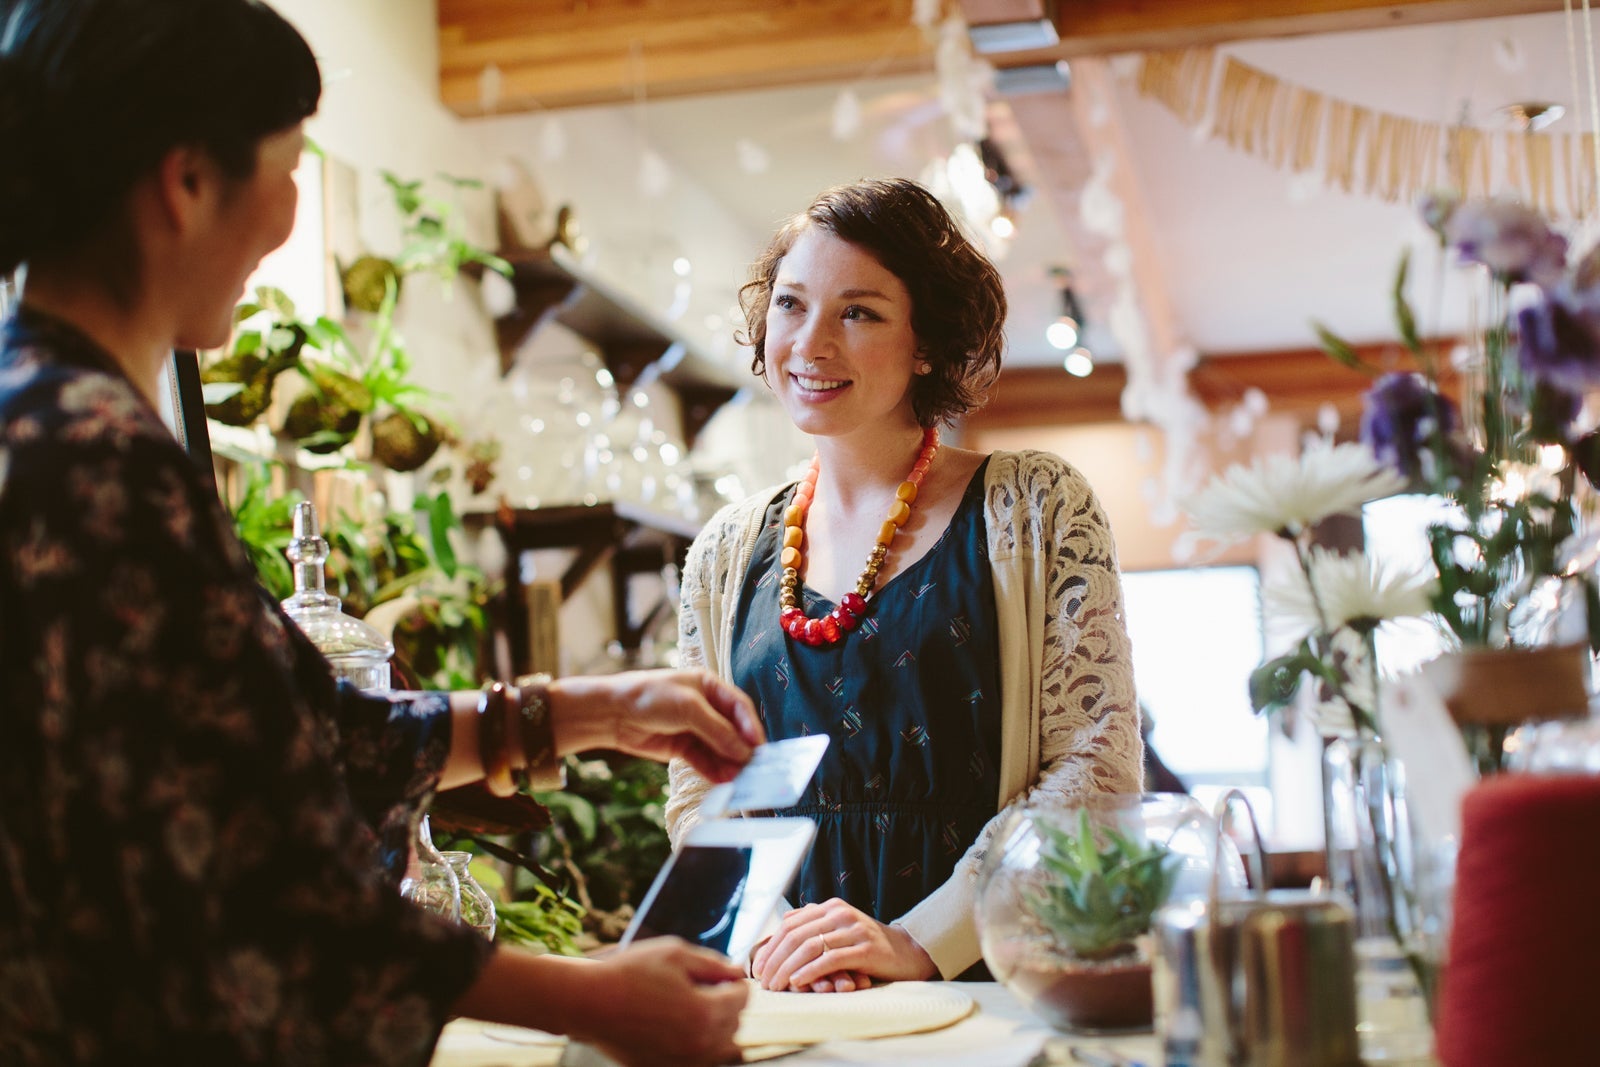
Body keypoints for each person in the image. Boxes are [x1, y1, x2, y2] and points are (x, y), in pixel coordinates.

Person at [0, 2, 761, 1065]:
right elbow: (264, 888)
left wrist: (591, 709)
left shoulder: (46, 415)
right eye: (291, 158)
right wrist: (593, 998)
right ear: (186, 181)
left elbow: (313, 741)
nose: (287, 211)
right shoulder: (96, 466)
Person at [665, 177, 1143, 994]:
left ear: (927, 342)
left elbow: (1095, 768)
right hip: (793, 993)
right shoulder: (724, 551)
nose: (810, 343)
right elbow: (697, 786)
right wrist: (777, 936)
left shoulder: (1034, 503)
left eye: (859, 312)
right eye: (790, 304)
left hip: (985, 982)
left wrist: (916, 940)